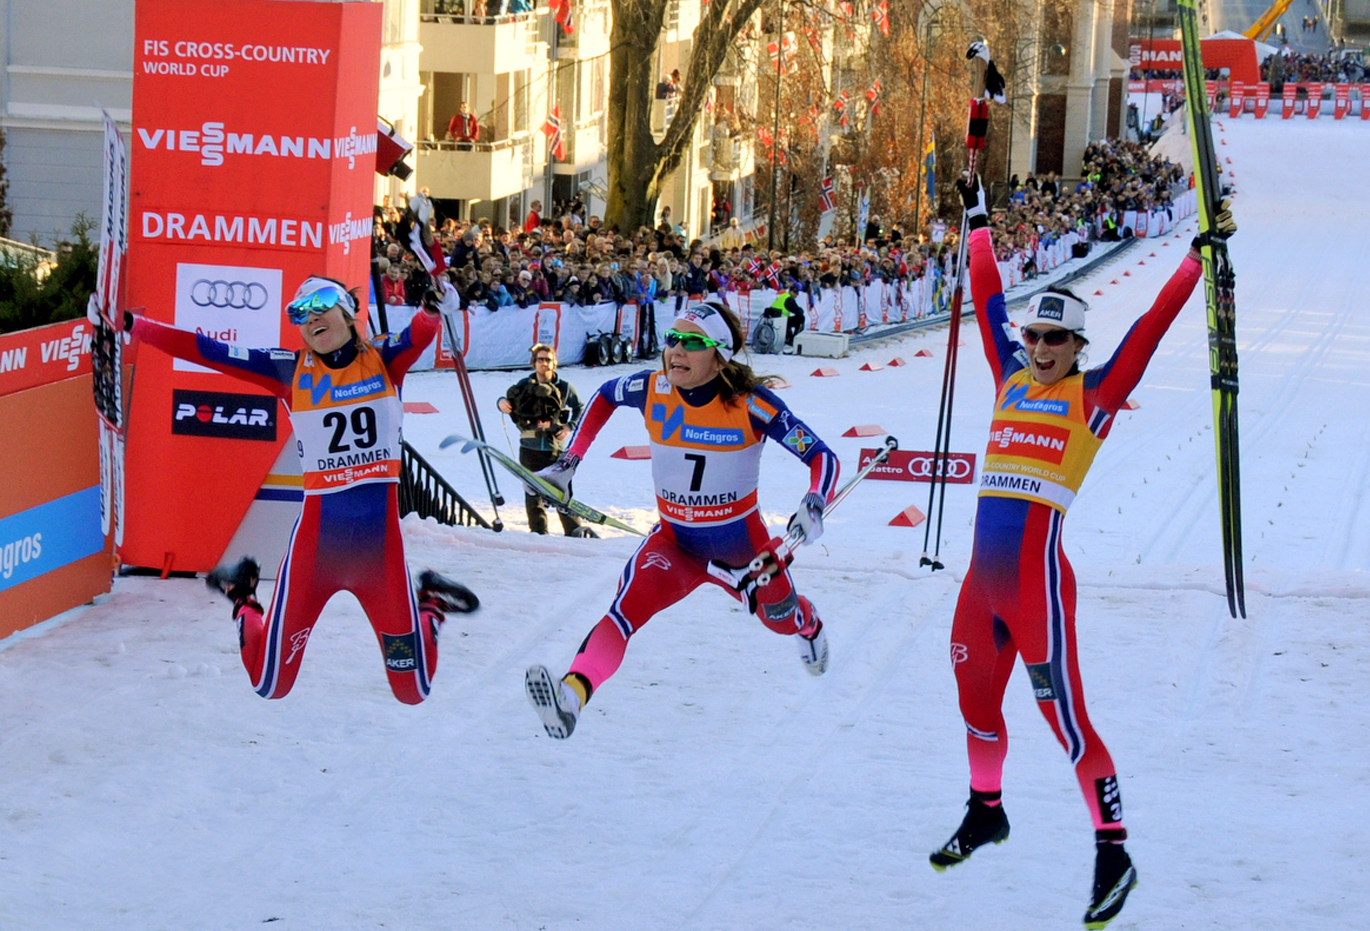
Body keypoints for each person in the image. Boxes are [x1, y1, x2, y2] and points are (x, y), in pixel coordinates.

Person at [927, 174, 1229, 931]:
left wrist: (1198, 259)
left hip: (1036, 589)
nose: (1038, 347)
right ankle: (985, 810)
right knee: (974, 705)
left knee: (1067, 722)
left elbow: (1149, 332)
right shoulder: (1008, 376)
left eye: (1054, 339)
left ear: (1077, 346)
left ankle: (1112, 849)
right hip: (980, 589)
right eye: (1033, 336)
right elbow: (989, 293)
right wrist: (979, 221)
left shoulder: (1094, 396)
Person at [104, 277, 481, 705]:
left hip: (381, 558)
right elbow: (205, 349)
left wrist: (435, 306)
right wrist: (135, 325)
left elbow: (421, 330)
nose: (310, 317)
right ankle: (244, 596)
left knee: (412, 690)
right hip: (316, 555)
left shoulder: (383, 358)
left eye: (320, 303)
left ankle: (429, 607)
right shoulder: (290, 369)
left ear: (347, 309)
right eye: (298, 313)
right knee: (271, 685)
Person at [523, 303, 841, 739]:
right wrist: (568, 464)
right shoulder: (652, 387)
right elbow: (602, 397)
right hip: (675, 544)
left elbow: (822, 456)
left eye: (693, 343)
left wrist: (814, 501)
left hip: (744, 553)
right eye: (672, 339)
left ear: (720, 354)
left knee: (781, 620)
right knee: (623, 612)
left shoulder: (751, 404)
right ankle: (571, 698)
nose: (676, 350)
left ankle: (808, 624)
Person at [497, 344, 589, 536]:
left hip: (554, 449)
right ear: (534, 362)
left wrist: (569, 426)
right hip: (529, 448)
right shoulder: (523, 386)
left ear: (554, 363)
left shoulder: (564, 387)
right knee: (532, 494)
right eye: (540, 359)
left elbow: (580, 408)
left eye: (548, 360)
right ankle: (538, 534)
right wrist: (501, 402)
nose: (544, 364)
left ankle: (574, 532)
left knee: (562, 493)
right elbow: (508, 401)